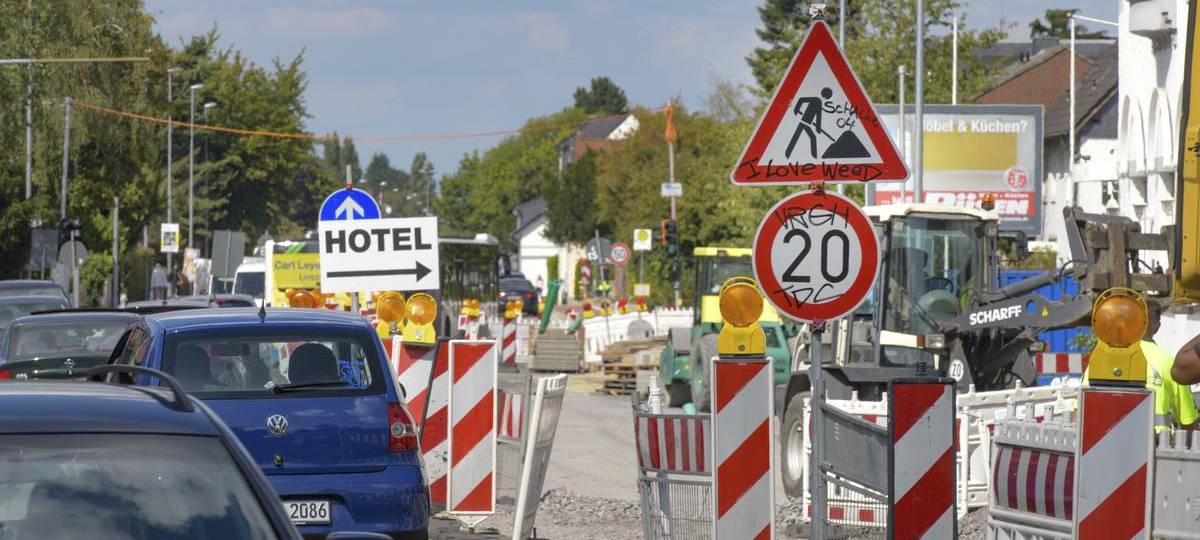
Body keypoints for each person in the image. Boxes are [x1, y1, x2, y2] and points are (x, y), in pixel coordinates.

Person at [1086, 302, 1198, 432]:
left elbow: (1081, 407)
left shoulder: (1104, 359)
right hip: (1157, 445)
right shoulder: (1169, 363)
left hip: (1107, 440)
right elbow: (1189, 423)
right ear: (1157, 327)